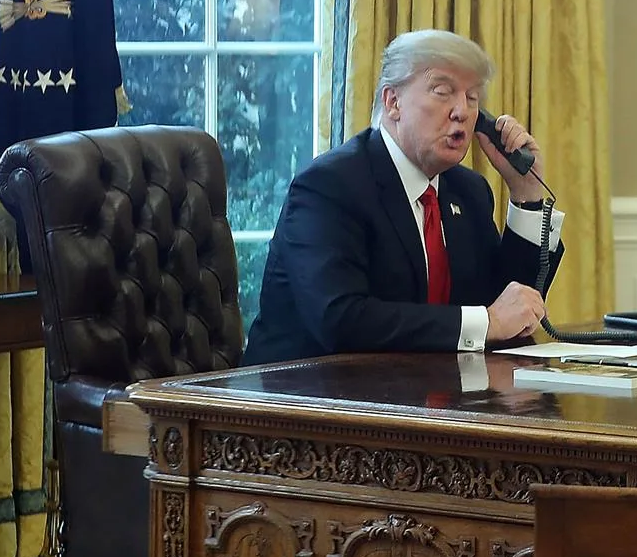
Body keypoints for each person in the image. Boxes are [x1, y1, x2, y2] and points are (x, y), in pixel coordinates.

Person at [241, 29, 565, 365]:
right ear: (393, 102)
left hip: (424, 398)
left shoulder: (468, 192)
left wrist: (526, 193)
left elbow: (509, 311)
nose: (462, 112)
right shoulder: (328, 187)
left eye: (472, 98)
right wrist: (488, 322)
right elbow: (340, 319)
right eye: (443, 92)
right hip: (300, 400)